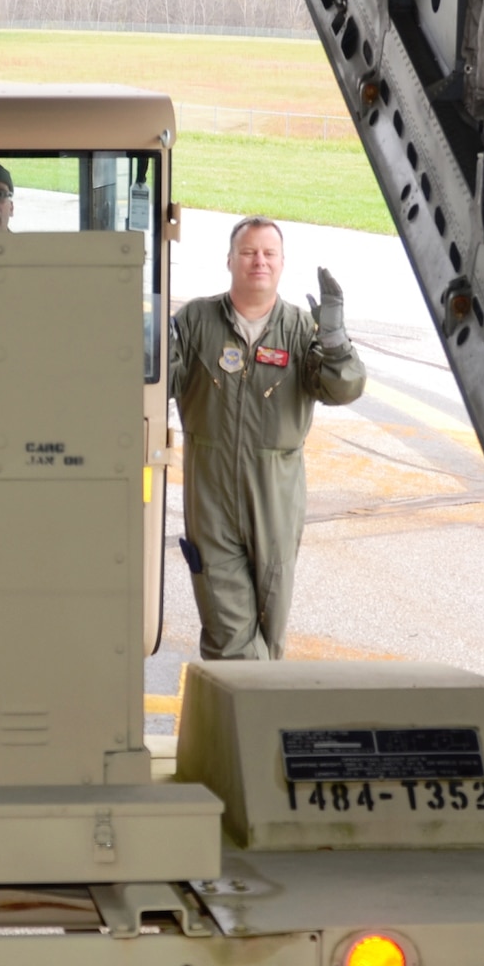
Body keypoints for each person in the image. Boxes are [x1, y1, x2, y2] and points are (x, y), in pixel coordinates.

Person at [168, 216, 366, 661]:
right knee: (228, 632)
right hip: (211, 492)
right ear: (229, 260)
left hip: (276, 495)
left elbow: (343, 387)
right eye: (249, 251)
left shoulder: (299, 329)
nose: (259, 261)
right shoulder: (196, 320)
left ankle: (251, 720)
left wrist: (334, 339)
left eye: (268, 253)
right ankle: (254, 714)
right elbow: (162, 382)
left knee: (270, 628)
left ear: (281, 264)